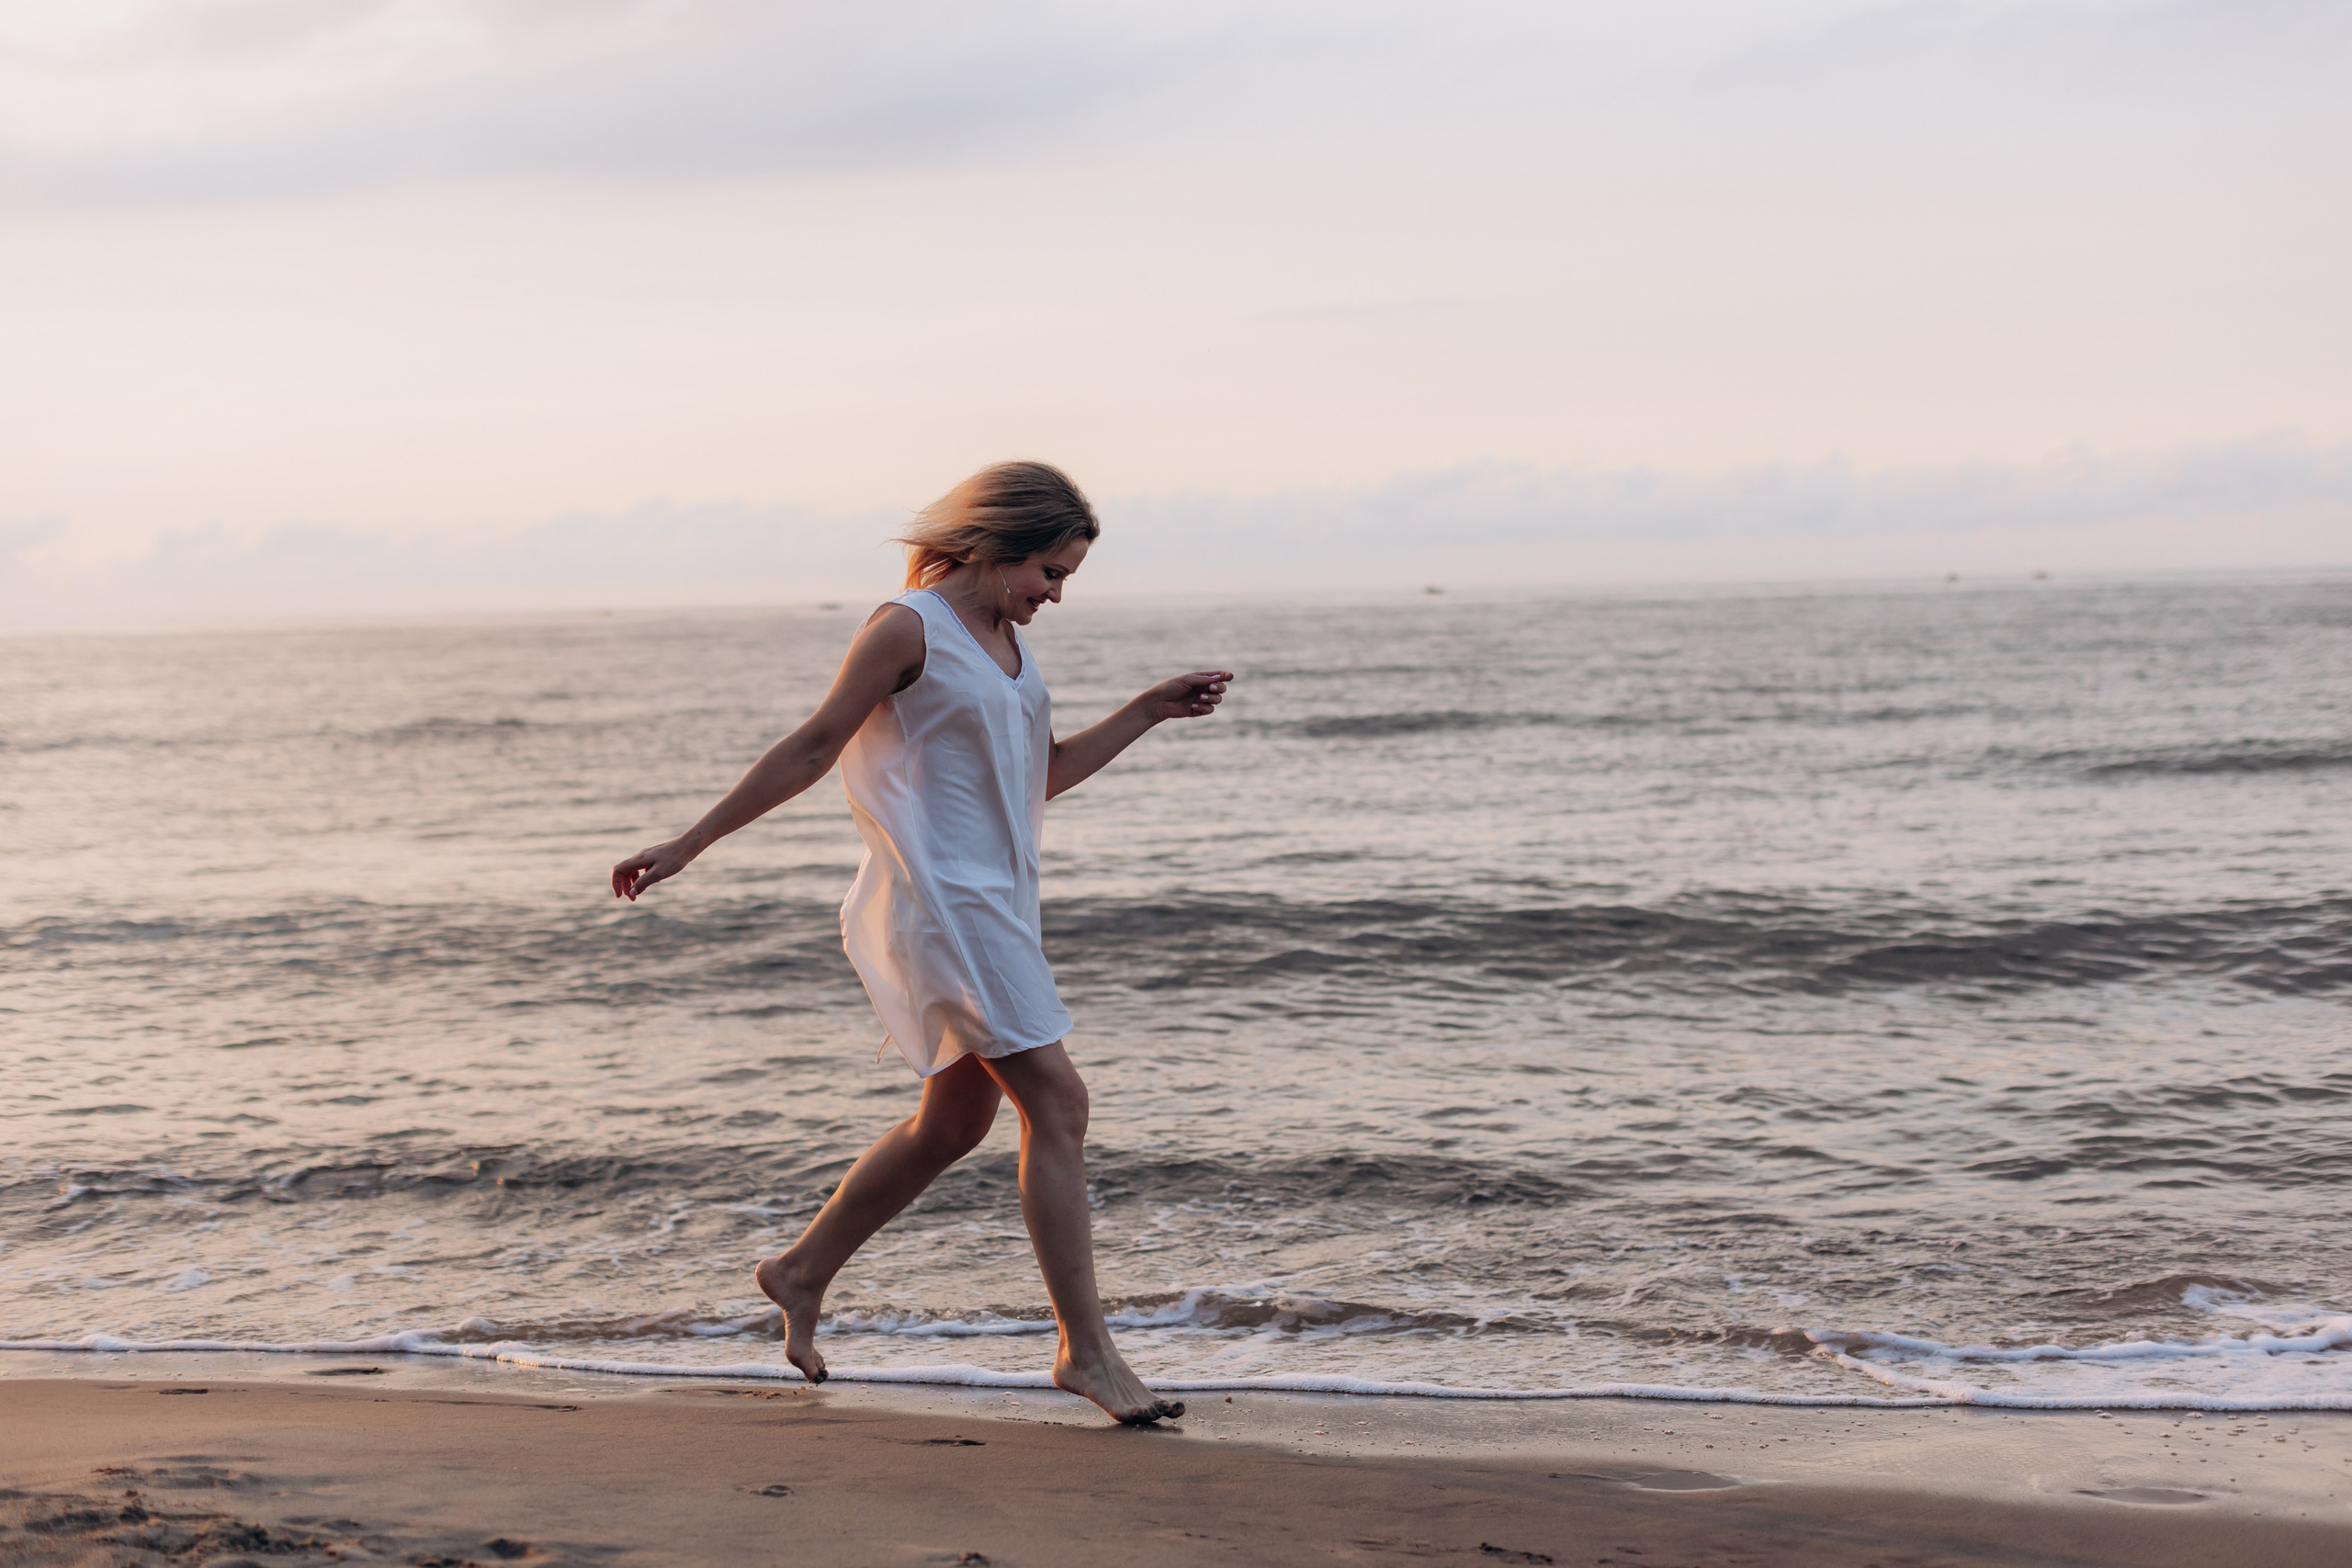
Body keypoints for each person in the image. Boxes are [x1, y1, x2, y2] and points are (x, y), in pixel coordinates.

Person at [608, 461, 1231, 1425]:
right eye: (1049, 574)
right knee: (1059, 1103)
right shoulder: (909, 628)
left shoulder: (1002, 644)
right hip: (943, 908)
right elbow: (815, 745)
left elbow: (1041, 777)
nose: (1054, 596)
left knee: (953, 1125)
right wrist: (690, 842)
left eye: (1066, 579)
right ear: (994, 548)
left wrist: (1148, 710)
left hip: (998, 905)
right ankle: (1087, 1355)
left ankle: (800, 1269)